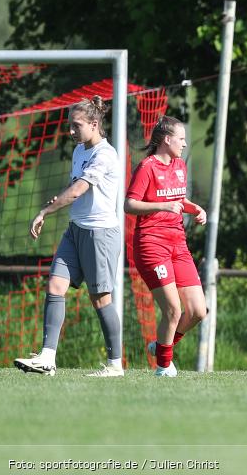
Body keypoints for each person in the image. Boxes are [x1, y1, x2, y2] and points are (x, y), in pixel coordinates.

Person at [14, 96, 124, 377]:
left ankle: (115, 366)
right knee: (55, 285)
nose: (71, 131)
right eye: (70, 126)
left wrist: (44, 211)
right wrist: (60, 197)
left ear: (94, 124)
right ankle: (47, 358)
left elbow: (78, 191)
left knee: (101, 299)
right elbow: (72, 186)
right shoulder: (79, 151)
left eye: (76, 126)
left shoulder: (105, 154)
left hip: (100, 233)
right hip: (75, 230)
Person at [125, 116, 207, 377]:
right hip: (152, 244)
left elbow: (179, 199)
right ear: (166, 139)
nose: (184, 144)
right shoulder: (146, 168)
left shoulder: (179, 165)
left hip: (178, 244)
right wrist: (162, 206)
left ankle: (161, 347)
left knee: (197, 311)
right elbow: (129, 204)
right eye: (181, 139)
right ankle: (163, 367)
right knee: (173, 310)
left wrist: (196, 209)